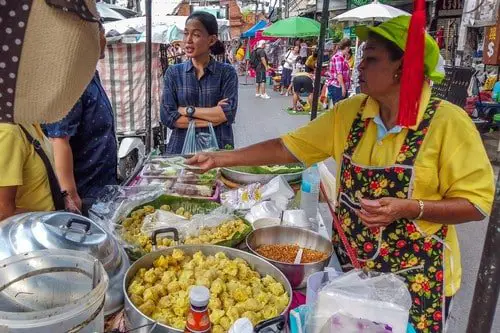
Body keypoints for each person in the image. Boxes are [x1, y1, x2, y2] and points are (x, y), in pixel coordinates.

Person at [186, 15, 494, 331]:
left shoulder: (448, 123)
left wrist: (412, 208)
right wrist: (223, 158)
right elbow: (286, 148)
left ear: (405, 67)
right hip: (353, 272)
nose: (358, 66)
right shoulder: (351, 113)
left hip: (418, 280)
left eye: (370, 59)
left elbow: (476, 204)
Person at [0, 1, 102, 220]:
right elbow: (3, 212)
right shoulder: (7, 131)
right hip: (29, 243)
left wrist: (63, 203)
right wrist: (53, 219)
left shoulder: (28, 120)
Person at [43, 23, 118, 215]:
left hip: (101, 188)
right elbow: (59, 139)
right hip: (84, 193)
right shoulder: (71, 80)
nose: (105, 39)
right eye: (102, 33)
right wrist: (70, 195)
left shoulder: (90, 75)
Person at [161, 12, 238, 154]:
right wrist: (214, 118)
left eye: (196, 35)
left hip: (218, 150)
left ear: (212, 40)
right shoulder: (173, 73)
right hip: (181, 151)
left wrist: (186, 110)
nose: (188, 40)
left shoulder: (226, 73)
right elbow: (168, 117)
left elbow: (227, 114)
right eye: (185, 33)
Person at [326, 38, 352, 104]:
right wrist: (343, 87)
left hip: (338, 86)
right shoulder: (339, 57)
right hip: (337, 86)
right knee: (339, 109)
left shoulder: (341, 57)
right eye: (349, 48)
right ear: (347, 47)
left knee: (340, 109)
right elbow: (339, 74)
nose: (349, 50)